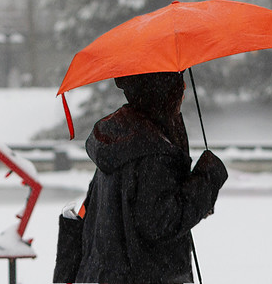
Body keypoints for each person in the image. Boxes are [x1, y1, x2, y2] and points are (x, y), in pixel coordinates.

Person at [56, 71, 228, 283]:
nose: (183, 90)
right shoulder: (152, 151)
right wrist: (207, 179)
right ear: (161, 93)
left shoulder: (122, 137)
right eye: (176, 85)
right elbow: (162, 222)